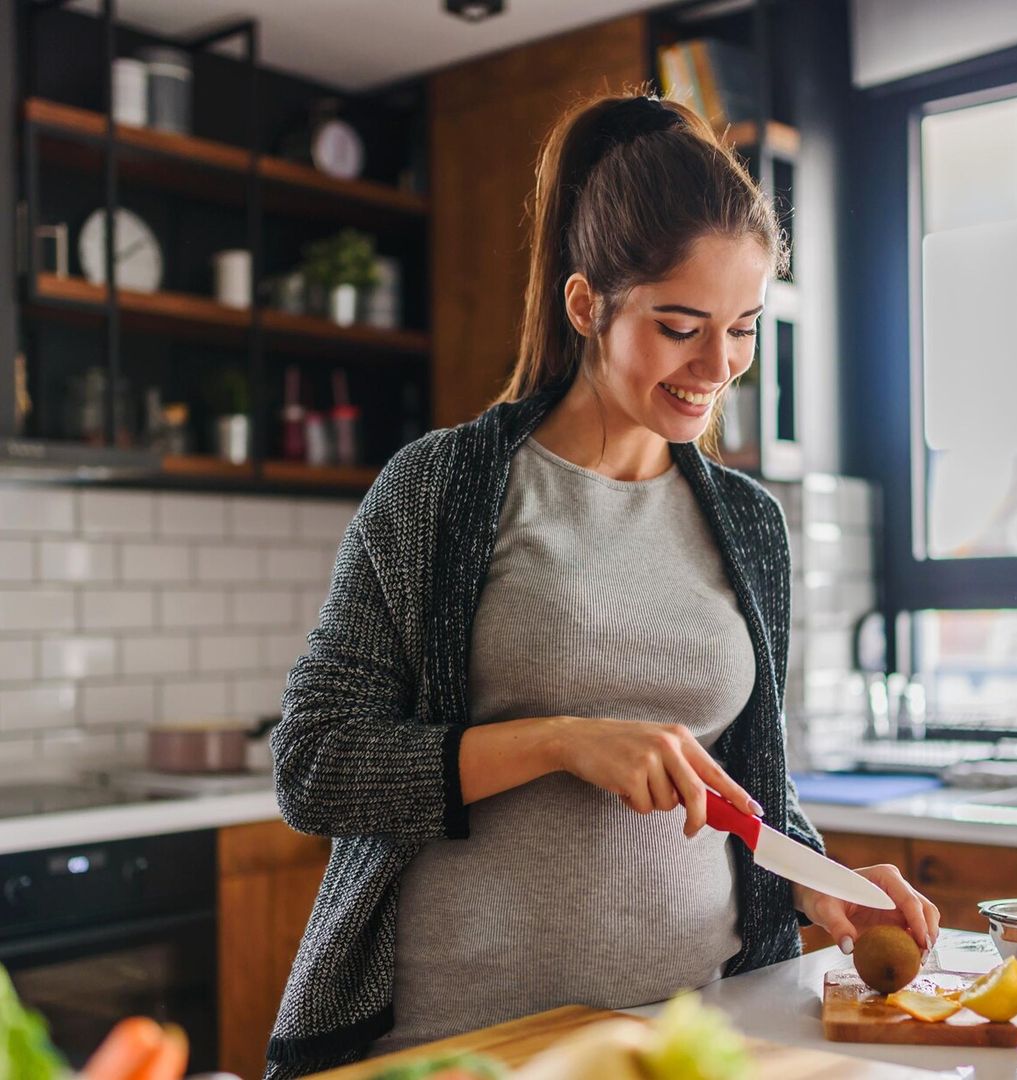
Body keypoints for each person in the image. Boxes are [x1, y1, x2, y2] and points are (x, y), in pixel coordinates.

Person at [264, 88, 939, 1079]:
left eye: (745, 327)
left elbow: (742, 784)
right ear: (587, 304)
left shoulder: (750, 524)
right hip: (463, 1046)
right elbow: (315, 765)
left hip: (693, 1038)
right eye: (680, 326)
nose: (719, 366)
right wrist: (559, 743)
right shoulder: (443, 490)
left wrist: (818, 876)